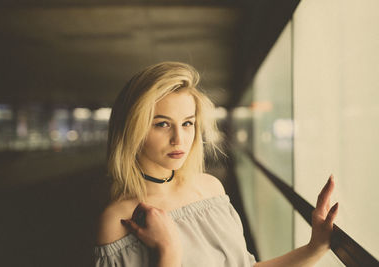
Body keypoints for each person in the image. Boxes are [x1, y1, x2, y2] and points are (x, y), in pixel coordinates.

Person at [94, 62, 339, 267]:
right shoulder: (119, 221)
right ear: (132, 129)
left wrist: (315, 247)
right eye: (162, 124)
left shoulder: (210, 188)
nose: (179, 139)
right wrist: (168, 251)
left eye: (188, 123)